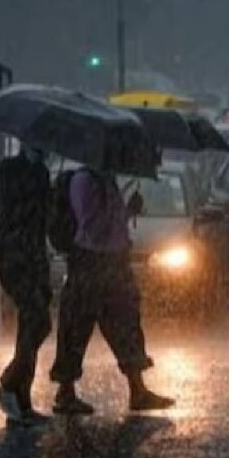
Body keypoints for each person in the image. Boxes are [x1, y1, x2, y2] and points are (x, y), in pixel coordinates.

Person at [50, 167, 174, 415]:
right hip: (91, 262)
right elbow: (91, 227)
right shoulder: (84, 181)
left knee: (126, 324)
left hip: (114, 263)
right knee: (76, 327)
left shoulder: (107, 180)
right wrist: (117, 212)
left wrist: (128, 211)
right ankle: (65, 392)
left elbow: (110, 225)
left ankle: (137, 389)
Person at [0, 145, 53, 426]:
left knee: (37, 325)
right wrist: (38, 197)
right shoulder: (8, 170)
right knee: (34, 320)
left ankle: (20, 396)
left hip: (36, 255)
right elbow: (11, 213)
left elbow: (45, 220)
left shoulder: (42, 172)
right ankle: (9, 385)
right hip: (15, 256)